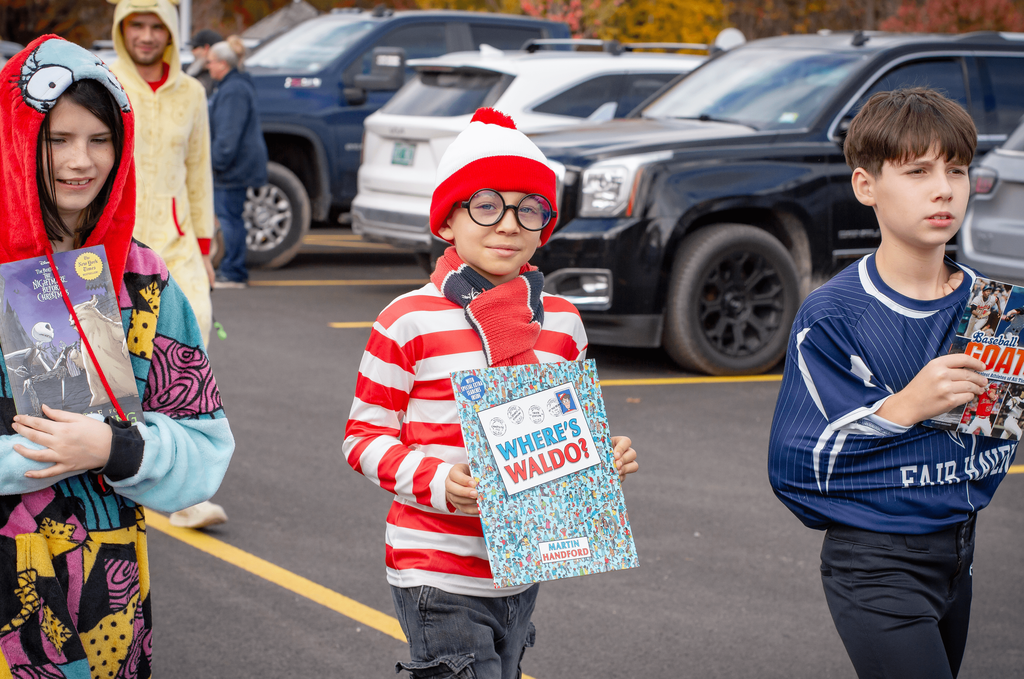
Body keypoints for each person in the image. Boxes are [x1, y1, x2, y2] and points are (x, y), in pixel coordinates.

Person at [343, 108, 639, 679]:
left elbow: (568, 435)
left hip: (524, 567)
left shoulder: (562, 322)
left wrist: (606, 455)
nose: (508, 224)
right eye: (486, 205)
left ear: (544, 227)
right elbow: (363, 437)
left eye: (529, 209)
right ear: (448, 222)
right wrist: (437, 481)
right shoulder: (407, 319)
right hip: (436, 568)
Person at [0, 36, 234, 677]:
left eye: (100, 139)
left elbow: (205, 448)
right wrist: (37, 452)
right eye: (57, 139)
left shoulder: (143, 283)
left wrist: (115, 450)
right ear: (18, 137)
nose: (81, 161)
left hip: (104, 594)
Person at [768, 87, 1017, 679]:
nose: (944, 189)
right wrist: (905, 407)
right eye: (918, 171)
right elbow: (797, 470)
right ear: (866, 186)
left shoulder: (995, 309)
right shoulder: (833, 315)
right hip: (874, 559)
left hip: (960, 547)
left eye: (957, 170)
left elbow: (990, 439)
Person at [111, 0, 228, 528]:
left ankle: (183, 492)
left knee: (191, 341)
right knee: (119, 364)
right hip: (118, 246)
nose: (146, 35)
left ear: (171, 33)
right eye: (136, 23)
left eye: (157, 25)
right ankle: (116, 464)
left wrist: (204, 247)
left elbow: (198, 169)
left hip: (177, 245)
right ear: (121, 28)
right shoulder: (104, 82)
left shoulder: (192, 92)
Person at [206, 37, 268, 289]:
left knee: (229, 217)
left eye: (210, 62)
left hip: (232, 168)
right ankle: (233, 268)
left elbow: (228, 135)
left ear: (222, 63)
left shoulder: (233, 90)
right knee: (232, 216)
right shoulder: (235, 85)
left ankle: (233, 271)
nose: (207, 67)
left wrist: (216, 163)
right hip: (237, 165)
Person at [187, 28, 223, 97]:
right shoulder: (191, 69)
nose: (192, 52)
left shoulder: (218, 78)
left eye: (194, 47)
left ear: (206, 48)